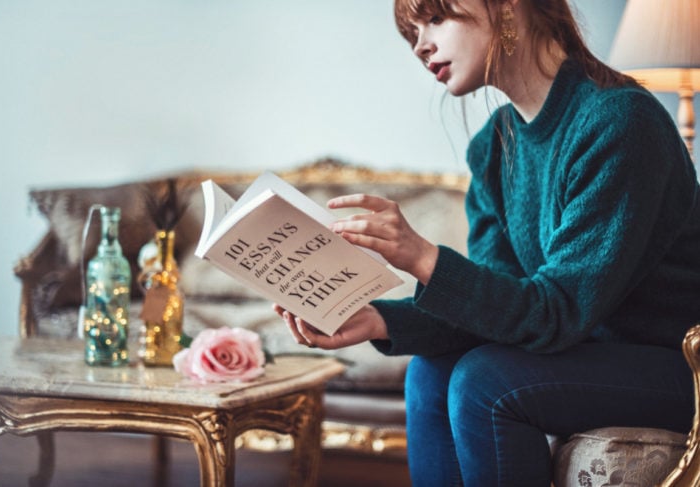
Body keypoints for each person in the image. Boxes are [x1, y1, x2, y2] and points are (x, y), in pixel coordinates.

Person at [274, 0, 700, 485]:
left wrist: (422, 256)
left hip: (678, 366)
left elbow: (557, 311)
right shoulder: (494, 146)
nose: (420, 46)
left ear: (507, 8)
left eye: (435, 19)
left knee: (485, 381)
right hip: (584, 353)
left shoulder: (620, 121)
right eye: (411, 32)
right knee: (430, 373)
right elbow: (496, 305)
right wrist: (376, 319)